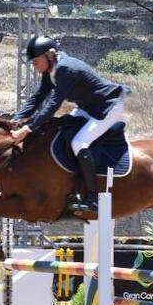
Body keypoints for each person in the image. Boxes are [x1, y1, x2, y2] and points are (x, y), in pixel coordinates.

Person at [11, 36, 129, 213]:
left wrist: (28, 128)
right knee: (62, 129)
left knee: (78, 143)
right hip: (87, 107)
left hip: (107, 108)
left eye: (35, 61)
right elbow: (38, 97)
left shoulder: (66, 69)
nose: (34, 65)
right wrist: (16, 119)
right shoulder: (50, 70)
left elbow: (53, 104)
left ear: (49, 56)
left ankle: (92, 197)